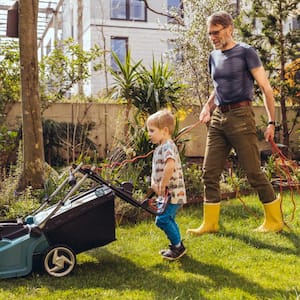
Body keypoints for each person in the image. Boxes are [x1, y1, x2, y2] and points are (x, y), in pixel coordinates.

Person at [187, 11, 284, 236]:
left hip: (241, 117)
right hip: (219, 119)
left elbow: (266, 89)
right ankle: (210, 223)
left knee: (252, 172)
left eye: (216, 32)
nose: (213, 37)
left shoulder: (246, 52)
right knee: (209, 172)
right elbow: (219, 87)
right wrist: (207, 107)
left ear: (229, 28)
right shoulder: (213, 56)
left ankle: (274, 219)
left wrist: (271, 122)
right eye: (210, 33)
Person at [146, 109, 187, 260]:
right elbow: (156, 170)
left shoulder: (168, 146)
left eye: (152, 130)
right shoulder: (160, 148)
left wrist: (162, 184)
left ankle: (177, 247)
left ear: (164, 131)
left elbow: (170, 166)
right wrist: (153, 183)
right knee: (167, 218)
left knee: (162, 219)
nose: (149, 134)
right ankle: (177, 246)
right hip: (166, 193)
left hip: (172, 192)